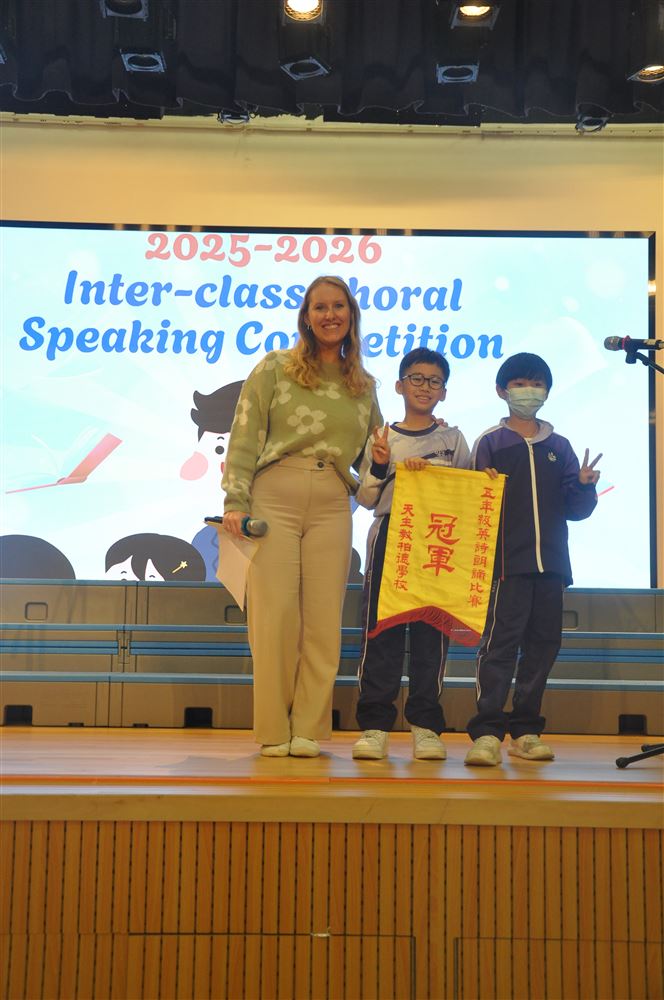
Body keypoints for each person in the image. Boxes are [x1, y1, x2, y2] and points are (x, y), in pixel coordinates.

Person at [221, 276, 382, 758]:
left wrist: (392, 462)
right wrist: (235, 501)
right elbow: (245, 434)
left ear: (351, 315)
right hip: (275, 495)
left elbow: (374, 457)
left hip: (333, 501)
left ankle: (308, 727)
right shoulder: (275, 367)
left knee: (323, 621)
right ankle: (274, 728)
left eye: (339, 306)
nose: (330, 315)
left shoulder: (363, 385)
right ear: (306, 317)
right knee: (274, 617)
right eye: (320, 307)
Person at [464, 352, 601, 766]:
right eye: (520, 384)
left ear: (548, 391)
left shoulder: (560, 446)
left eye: (537, 384)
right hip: (508, 566)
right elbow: (474, 505)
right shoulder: (490, 442)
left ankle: (525, 731)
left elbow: (576, 510)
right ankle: (486, 732)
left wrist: (584, 485)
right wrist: (481, 486)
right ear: (501, 391)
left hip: (552, 567)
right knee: (499, 647)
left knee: (543, 647)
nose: (529, 391)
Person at [352, 348, 471, 761]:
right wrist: (382, 465)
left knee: (430, 638)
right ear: (400, 385)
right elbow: (366, 499)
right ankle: (375, 727)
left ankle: (426, 727)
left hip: (438, 544)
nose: (425, 387)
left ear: (444, 392)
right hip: (392, 539)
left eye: (434, 381)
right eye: (416, 379)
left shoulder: (453, 439)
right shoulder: (382, 438)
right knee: (381, 635)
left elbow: (467, 494)